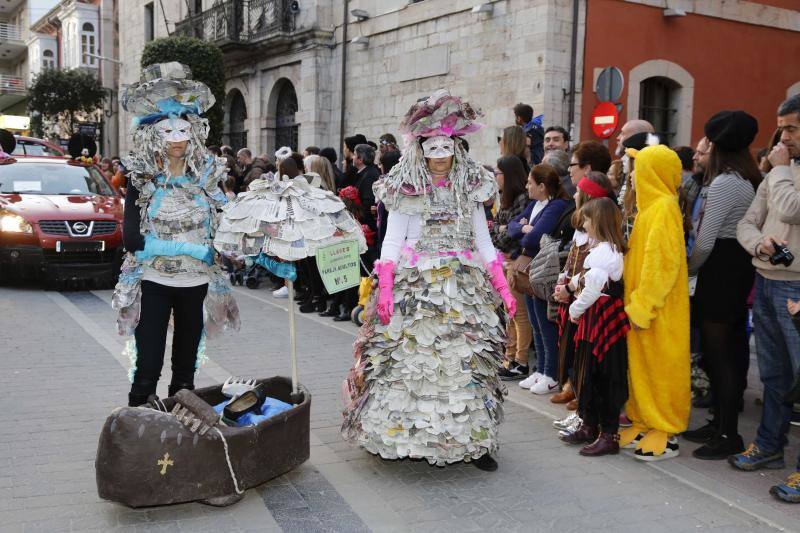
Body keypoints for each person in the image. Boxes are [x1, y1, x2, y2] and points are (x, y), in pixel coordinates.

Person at [342, 90, 514, 471]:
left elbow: (483, 240)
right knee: (411, 364)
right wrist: (384, 287)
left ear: (456, 149)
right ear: (421, 150)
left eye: (446, 148)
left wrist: (501, 285)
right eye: (433, 149)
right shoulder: (406, 190)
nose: (440, 157)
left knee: (465, 363)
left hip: (462, 290)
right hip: (415, 290)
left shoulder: (470, 189)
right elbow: (391, 241)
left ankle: (474, 443)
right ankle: (403, 436)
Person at [112, 62, 239, 406]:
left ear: (194, 132)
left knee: (185, 369)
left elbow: (226, 227)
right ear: (154, 134)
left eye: (183, 130)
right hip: (153, 282)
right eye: (167, 132)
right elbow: (132, 240)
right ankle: (139, 427)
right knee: (147, 365)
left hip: (195, 284)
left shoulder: (208, 179)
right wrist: (192, 248)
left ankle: (181, 431)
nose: (176, 139)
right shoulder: (142, 179)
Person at [733, 94, 800, 504]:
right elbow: (746, 222)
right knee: (774, 376)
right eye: (781, 128)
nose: (782, 137)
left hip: (797, 287)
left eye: (791, 128)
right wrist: (760, 245)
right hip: (768, 279)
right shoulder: (780, 171)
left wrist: (778, 171)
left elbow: (792, 208)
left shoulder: (780, 172)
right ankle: (769, 446)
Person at [682, 111, 760, 459]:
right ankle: (718, 424)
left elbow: (705, 241)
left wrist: (687, 269)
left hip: (722, 270)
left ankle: (728, 432)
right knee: (719, 355)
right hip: (730, 267)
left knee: (720, 355)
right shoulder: (741, 179)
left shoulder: (728, 183)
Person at [620, 144, 690, 461]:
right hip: (640, 307)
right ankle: (644, 420)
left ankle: (667, 429)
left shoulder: (663, 209)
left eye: (639, 169)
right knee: (641, 365)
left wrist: (642, 305)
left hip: (658, 310)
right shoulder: (648, 210)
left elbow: (662, 265)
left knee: (663, 366)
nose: (633, 176)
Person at [562, 197, 629, 456]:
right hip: (596, 318)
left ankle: (608, 434)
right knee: (588, 372)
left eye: (587, 220)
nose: (584, 224)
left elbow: (591, 290)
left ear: (598, 222)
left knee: (603, 376)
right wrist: (570, 289)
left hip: (600, 319)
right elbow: (585, 279)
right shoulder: (604, 249)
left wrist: (574, 310)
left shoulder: (605, 252)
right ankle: (590, 424)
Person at [549, 172, 616, 427]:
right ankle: (574, 389)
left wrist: (572, 293)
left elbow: (591, 276)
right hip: (575, 295)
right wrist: (564, 282)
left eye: (579, 191)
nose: (574, 194)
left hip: (586, 303)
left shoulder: (599, 240)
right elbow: (574, 264)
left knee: (585, 357)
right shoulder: (582, 230)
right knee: (571, 350)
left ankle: (584, 408)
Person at [508, 164, 572, 395]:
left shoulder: (556, 205)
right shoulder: (535, 204)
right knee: (535, 322)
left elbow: (536, 238)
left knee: (545, 324)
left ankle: (551, 373)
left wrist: (526, 230)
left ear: (542, 186)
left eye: (530, 183)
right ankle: (540, 369)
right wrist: (523, 228)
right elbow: (512, 227)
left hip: (544, 271)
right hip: (532, 272)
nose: (527, 187)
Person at [491, 156, 534, 381]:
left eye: (497, 173)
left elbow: (513, 234)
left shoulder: (522, 199)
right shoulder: (505, 199)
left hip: (517, 261)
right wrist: (503, 229)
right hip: (504, 261)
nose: (495, 177)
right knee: (511, 313)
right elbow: (496, 230)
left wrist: (504, 229)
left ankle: (521, 361)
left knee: (519, 314)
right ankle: (510, 357)